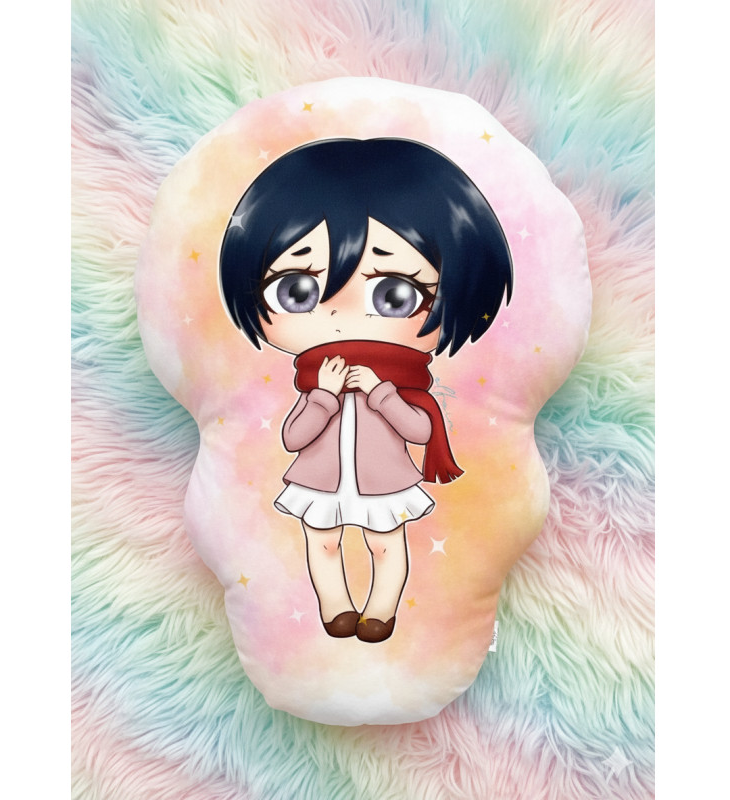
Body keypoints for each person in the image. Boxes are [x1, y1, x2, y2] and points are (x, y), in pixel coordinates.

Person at [219, 138, 512, 642]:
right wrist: (324, 396)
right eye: (298, 289)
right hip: (319, 483)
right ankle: (335, 607)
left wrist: (382, 393)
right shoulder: (316, 381)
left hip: (385, 484)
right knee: (323, 542)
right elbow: (292, 438)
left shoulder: (401, 387)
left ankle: (380, 612)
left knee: (385, 545)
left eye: (395, 293)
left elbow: (420, 431)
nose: (339, 315)